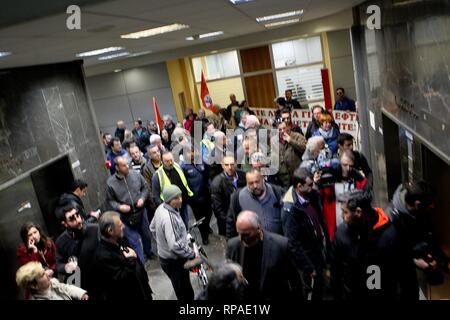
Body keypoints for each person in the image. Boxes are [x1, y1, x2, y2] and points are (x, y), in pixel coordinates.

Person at [331, 190, 404, 300]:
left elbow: (403, 274)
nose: (342, 216)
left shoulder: (390, 235)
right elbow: (336, 271)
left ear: (358, 212)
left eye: (345, 212)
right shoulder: (342, 234)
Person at [385, 181, 450, 299]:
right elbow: (391, 259)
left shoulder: (419, 212)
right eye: (430, 203)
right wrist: (415, 261)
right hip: (397, 279)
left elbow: (427, 237)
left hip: (410, 274)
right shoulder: (391, 223)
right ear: (418, 204)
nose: (433, 206)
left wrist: (444, 262)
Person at [226, 211, 303, 300]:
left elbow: (295, 280)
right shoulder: (233, 246)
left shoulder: (281, 245)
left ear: (258, 228)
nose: (241, 239)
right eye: (239, 233)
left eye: (246, 234)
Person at [281, 167, 330, 300]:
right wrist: (307, 267)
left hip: (318, 251)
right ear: (299, 186)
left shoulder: (310, 195)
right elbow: (293, 243)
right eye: (310, 185)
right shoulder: (290, 209)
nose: (313, 187)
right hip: (307, 260)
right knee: (309, 291)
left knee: (321, 287)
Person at [92, 211, 153, 300]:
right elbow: (120, 281)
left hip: (142, 290)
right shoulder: (103, 256)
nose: (123, 227)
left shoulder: (120, 239)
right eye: (120, 225)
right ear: (110, 231)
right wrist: (131, 260)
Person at [150, 185, 195, 300]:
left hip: (165, 258)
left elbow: (152, 228)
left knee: (180, 288)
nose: (180, 199)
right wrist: (191, 253)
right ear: (169, 200)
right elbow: (174, 245)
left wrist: (162, 245)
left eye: (180, 196)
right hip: (174, 262)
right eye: (176, 198)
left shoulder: (160, 208)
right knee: (185, 292)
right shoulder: (169, 218)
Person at [106, 156, 153, 263]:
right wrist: (119, 207)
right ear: (117, 167)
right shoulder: (111, 183)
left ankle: (149, 252)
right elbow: (110, 201)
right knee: (134, 241)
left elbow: (145, 187)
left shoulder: (136, 174)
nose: (127, 166)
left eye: (127, 164)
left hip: (141, 211)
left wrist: (142, 198)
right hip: (125, 216)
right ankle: (141, 264)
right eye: (124, 165)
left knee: (146, 234)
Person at [227, 169, 284, 239]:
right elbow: (230, 224)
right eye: (251, 183)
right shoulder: (237, 198)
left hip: (276, 242)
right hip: (251, 243)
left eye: (257, 182)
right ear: (247, 183)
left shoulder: (277, 192)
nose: (255, 186)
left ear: (263, 179)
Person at [55, 205, 99, 296]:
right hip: (84, 284)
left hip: (101, 277)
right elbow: (58, 264)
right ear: (65, 223)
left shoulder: (95, 229)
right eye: (72, 218)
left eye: (77, 215)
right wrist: (65, 267)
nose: (78, 220)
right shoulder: (61, 241)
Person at [152, 151, 193, 229]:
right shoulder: (157, 175)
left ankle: (186, 235)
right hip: (171, 207)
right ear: (162, 162)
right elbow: (155, 196)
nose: (170, 163)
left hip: (182, 203)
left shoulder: (178, 166)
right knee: (175, 227)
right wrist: (165, 208)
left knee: (185, 222)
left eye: (171, 160)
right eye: (167, 161)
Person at [182, 147, 212, 245]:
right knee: (200, 218)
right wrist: (189, 197)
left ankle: (207, 227)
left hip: (206, 195)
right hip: (195, 199)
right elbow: (184, 183)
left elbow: (208, 176)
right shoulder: (184, 167)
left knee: (208, 214)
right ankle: (204, 236)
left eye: (193, 151)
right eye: (189, 152)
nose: (192, 154)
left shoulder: (203, 162)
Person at [211, 155, 246, 236]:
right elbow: (218, 208)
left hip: (244, 215)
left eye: (232, 164)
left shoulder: (243, 175)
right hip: (228, 221)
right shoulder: (217, 183)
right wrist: (230, 222)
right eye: (227, 165)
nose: (230, 167)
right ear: (222, 165)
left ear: (236, 164)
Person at [16, 262, 88, 300]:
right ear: (34, 286)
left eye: (45, 271)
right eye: (42, 275)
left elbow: (66, 288)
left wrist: (81, 294)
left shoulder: (52, 282)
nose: (48, 274)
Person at [272, 120, 307, 187]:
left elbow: (304, 149)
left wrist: (291, 141)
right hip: (283, 178)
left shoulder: (297, 136)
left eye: (284, 128)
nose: (282, 131)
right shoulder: (274, 140)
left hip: (297, 173)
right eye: (280, 129)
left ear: (288, 127)